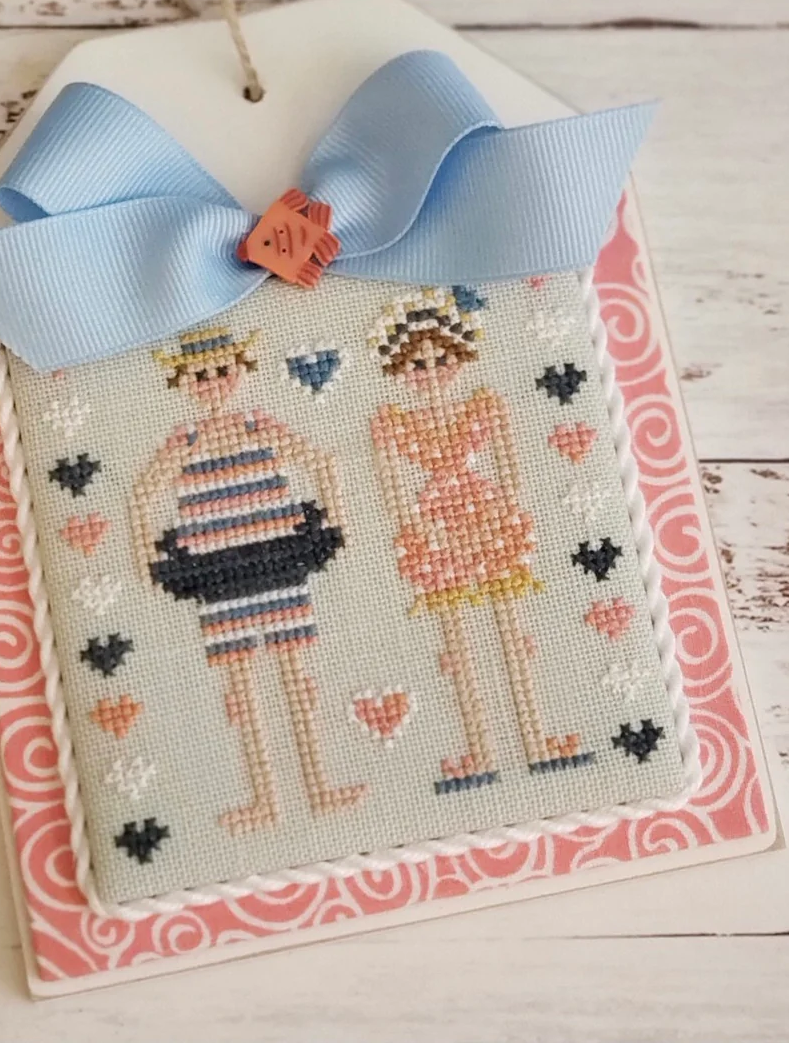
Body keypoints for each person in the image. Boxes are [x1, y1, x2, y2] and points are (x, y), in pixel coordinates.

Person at [131, 324, 367, 833]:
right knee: (242, 685)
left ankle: (318, 784)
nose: (213, 383)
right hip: (218, 569)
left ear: (239, 371)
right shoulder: (184, 440)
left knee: (294, 675)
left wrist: (334, 515)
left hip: (277, 555)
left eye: (221, 371)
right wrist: (145, 552)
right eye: (200, 376)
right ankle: (264, 797)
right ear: (182, 382)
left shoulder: (258, 425)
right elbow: (143, 494)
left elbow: (320, 460)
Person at [368, 287, 588, 792]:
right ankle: (478, 749)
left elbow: (508, 468)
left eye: (440, 359)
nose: (429, 372)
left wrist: (509, 509)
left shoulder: (483, 405)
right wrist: (414, 527)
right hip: (436, 529)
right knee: (457, 642)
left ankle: (535, 739)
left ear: (459, 358)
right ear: (399, 370)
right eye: (416, 365)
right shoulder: (392, 423)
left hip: (485, 517)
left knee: (510, 631)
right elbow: (393, 486)